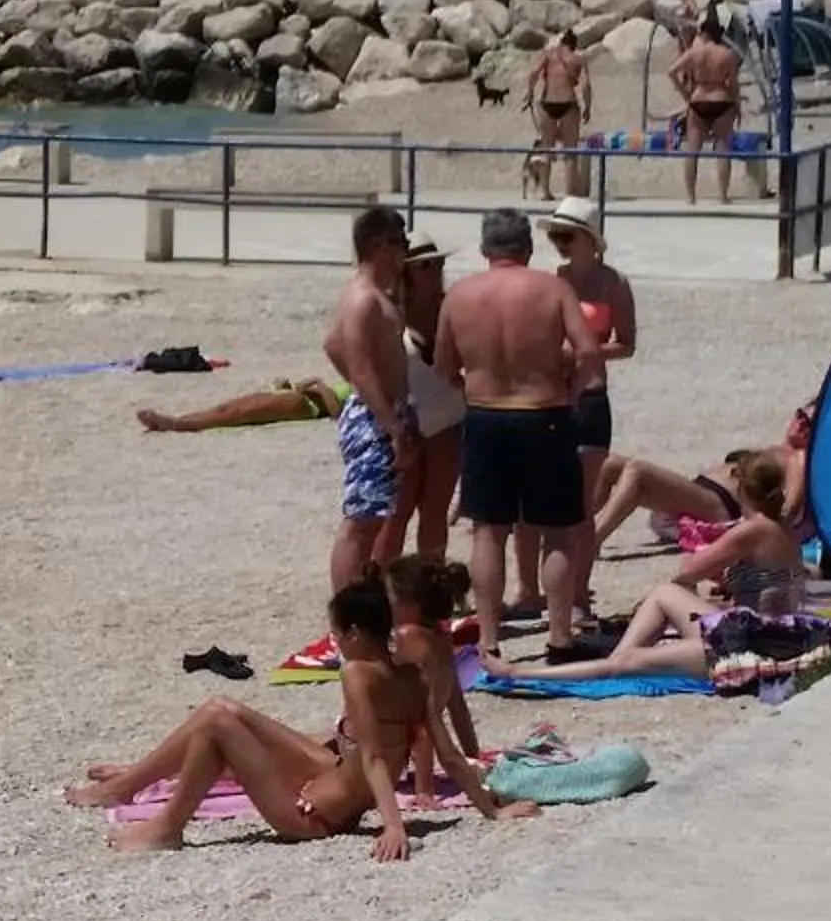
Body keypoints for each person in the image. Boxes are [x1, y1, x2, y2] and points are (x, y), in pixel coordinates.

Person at [68, 578, 536, 857]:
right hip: (332, 778)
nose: (333, 642)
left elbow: (374, 758)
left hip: (312, 818)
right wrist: (492, 812)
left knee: (216, 719)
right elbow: (451, 756)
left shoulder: (356, 674)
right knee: (223, 711)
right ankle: (128, 782)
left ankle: (166, 828)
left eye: (335, 634)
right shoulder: (409, 675)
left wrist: (393, 825)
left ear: (355, 632)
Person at [435, 207, 603, 664]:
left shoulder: (461, 296)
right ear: (527, 248)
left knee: (488, 533)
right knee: (559, 533)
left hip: (486, 416)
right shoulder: (551, 288)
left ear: (486, 249)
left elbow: (444, 366)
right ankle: (559, 636)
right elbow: (587, 349)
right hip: (543, 412)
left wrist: (473, 385)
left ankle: (489, 639)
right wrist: (568, 387)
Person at [483, 453, 806, 684]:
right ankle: (620, 656)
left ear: (742, 488)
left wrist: (708, 563)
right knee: (665, 593)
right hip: (771, 633)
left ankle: (521, 674)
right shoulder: (780, 528)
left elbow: (689, 570)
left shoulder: (750, 531)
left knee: (627, 661)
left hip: (755, 644)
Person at [539, 197, 635, 614]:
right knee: (552, 504)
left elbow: (627, 343)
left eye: (567, 236)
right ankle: (557, 593)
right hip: (553, 397)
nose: (559, 243)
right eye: (555, 236)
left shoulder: (613, 283)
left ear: (590, 240)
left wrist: (584, 351)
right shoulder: (550, 281)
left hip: (590, 395)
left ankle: (578, 593)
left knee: (582, 505)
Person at [324, 207, 417, 592]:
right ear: (380, 245)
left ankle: (358, 607)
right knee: (361, 523)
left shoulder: (369, 295)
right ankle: (347, 616)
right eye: (401, 244)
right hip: (375, 419)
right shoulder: (365, 299)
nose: (404, 254)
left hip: (379, 412)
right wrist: (392, 425)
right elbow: (360, 369)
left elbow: (331, 345)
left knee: (375, 518)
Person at [593, 401, 815, 550]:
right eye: (800, 415)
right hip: (702, 494)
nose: (801, 424)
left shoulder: (800, 458)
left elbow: (790, 508)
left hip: (721, 506)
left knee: (637, 471)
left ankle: (592, 542)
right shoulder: (775, 448)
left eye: (809, 423)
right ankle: (578, 531)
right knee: (609, 464)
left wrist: (757, 531)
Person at [380, 230, 464, 563]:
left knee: (435, 510)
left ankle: (432, 588)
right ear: (406, 271)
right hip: (405, 423)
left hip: (448, 419)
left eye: (437, 263)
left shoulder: (452, 308)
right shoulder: (388, 315)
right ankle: (382, 591)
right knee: (396, 514)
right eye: (424, 266)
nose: (434, 271)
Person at [384, 553, 486, 808]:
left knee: (325, 750)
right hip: (409, 738)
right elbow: (456, 706)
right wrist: (474, 756)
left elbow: (421, 720)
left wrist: (424, 789)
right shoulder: (441, 637)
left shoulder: (408, 637)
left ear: (412, 605)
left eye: (391, 599)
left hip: (393, 744)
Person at [668, 12, 750, 205]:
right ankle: (723, 196)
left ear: (704, 33)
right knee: (723, 149)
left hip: (699, 97)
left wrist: (685, 95)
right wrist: (737, 104)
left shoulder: (694, 53)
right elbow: (734, 83)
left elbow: (671, 72)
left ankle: (691, 197)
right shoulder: (727, 54)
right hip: (721, 97)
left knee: (692, 150)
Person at [137, 376, 348, 433]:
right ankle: (178, 421)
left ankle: (177, 424)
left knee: (236, 413)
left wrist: (319, 385)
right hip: (300, 397)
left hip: (308, 406)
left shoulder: (365, 392)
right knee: (228, 409)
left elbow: (337, 412)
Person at [525, 33, 591, 198]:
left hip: (547, 103)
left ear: (561, 43)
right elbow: (585, 85)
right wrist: (587, 107)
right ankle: (570, 193)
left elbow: (533, 72)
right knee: (570, 152)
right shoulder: (578, 59)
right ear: (574, 45)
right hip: (568, 104)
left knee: (547, 149)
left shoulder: (548, 55)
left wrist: (530, 92)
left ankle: (545, 192)